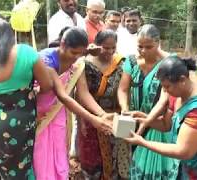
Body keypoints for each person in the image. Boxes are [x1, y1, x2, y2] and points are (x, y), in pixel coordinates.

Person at [0, 17, 53, 179]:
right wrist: (31, 94)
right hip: (20, 122)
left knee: (1, 168)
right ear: (11, 33)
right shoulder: (26, 52)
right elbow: (47, 85)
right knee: (22, 168)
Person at [34, 27, 113, 180]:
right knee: (40, 157)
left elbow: (83, 93)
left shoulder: (78, 64)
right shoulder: (45, 60)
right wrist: (93, 119)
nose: (76, 58)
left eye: (80, 54)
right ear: (62, 44)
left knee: (59, 154)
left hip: (58, 115)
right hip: (39, 116)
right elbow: (63, 96)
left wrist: (102, 115)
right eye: (73, 53)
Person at [117, 24, 179, 179]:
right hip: (133, 120)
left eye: (149, 47)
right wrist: (124, 108)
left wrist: (147, 120)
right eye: (140, 46)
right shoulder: (131, 62)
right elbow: (123, 89)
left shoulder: (168, 63)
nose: (143, 51)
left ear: (158, 44)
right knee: (132, 161)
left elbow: (165, 100)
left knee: (157, 165)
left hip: (158, 124)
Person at [77, 30, 127, 179]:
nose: (110, 52)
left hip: (116, 117)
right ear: (96, 46)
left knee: (118, 155)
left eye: (113, 48)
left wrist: (124, 111)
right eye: (106, 48)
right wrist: (101, 115)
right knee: (92, 158)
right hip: (92, 118)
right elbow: (83, 93)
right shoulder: (84, 64)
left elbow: (125, 89)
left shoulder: (122, 62)